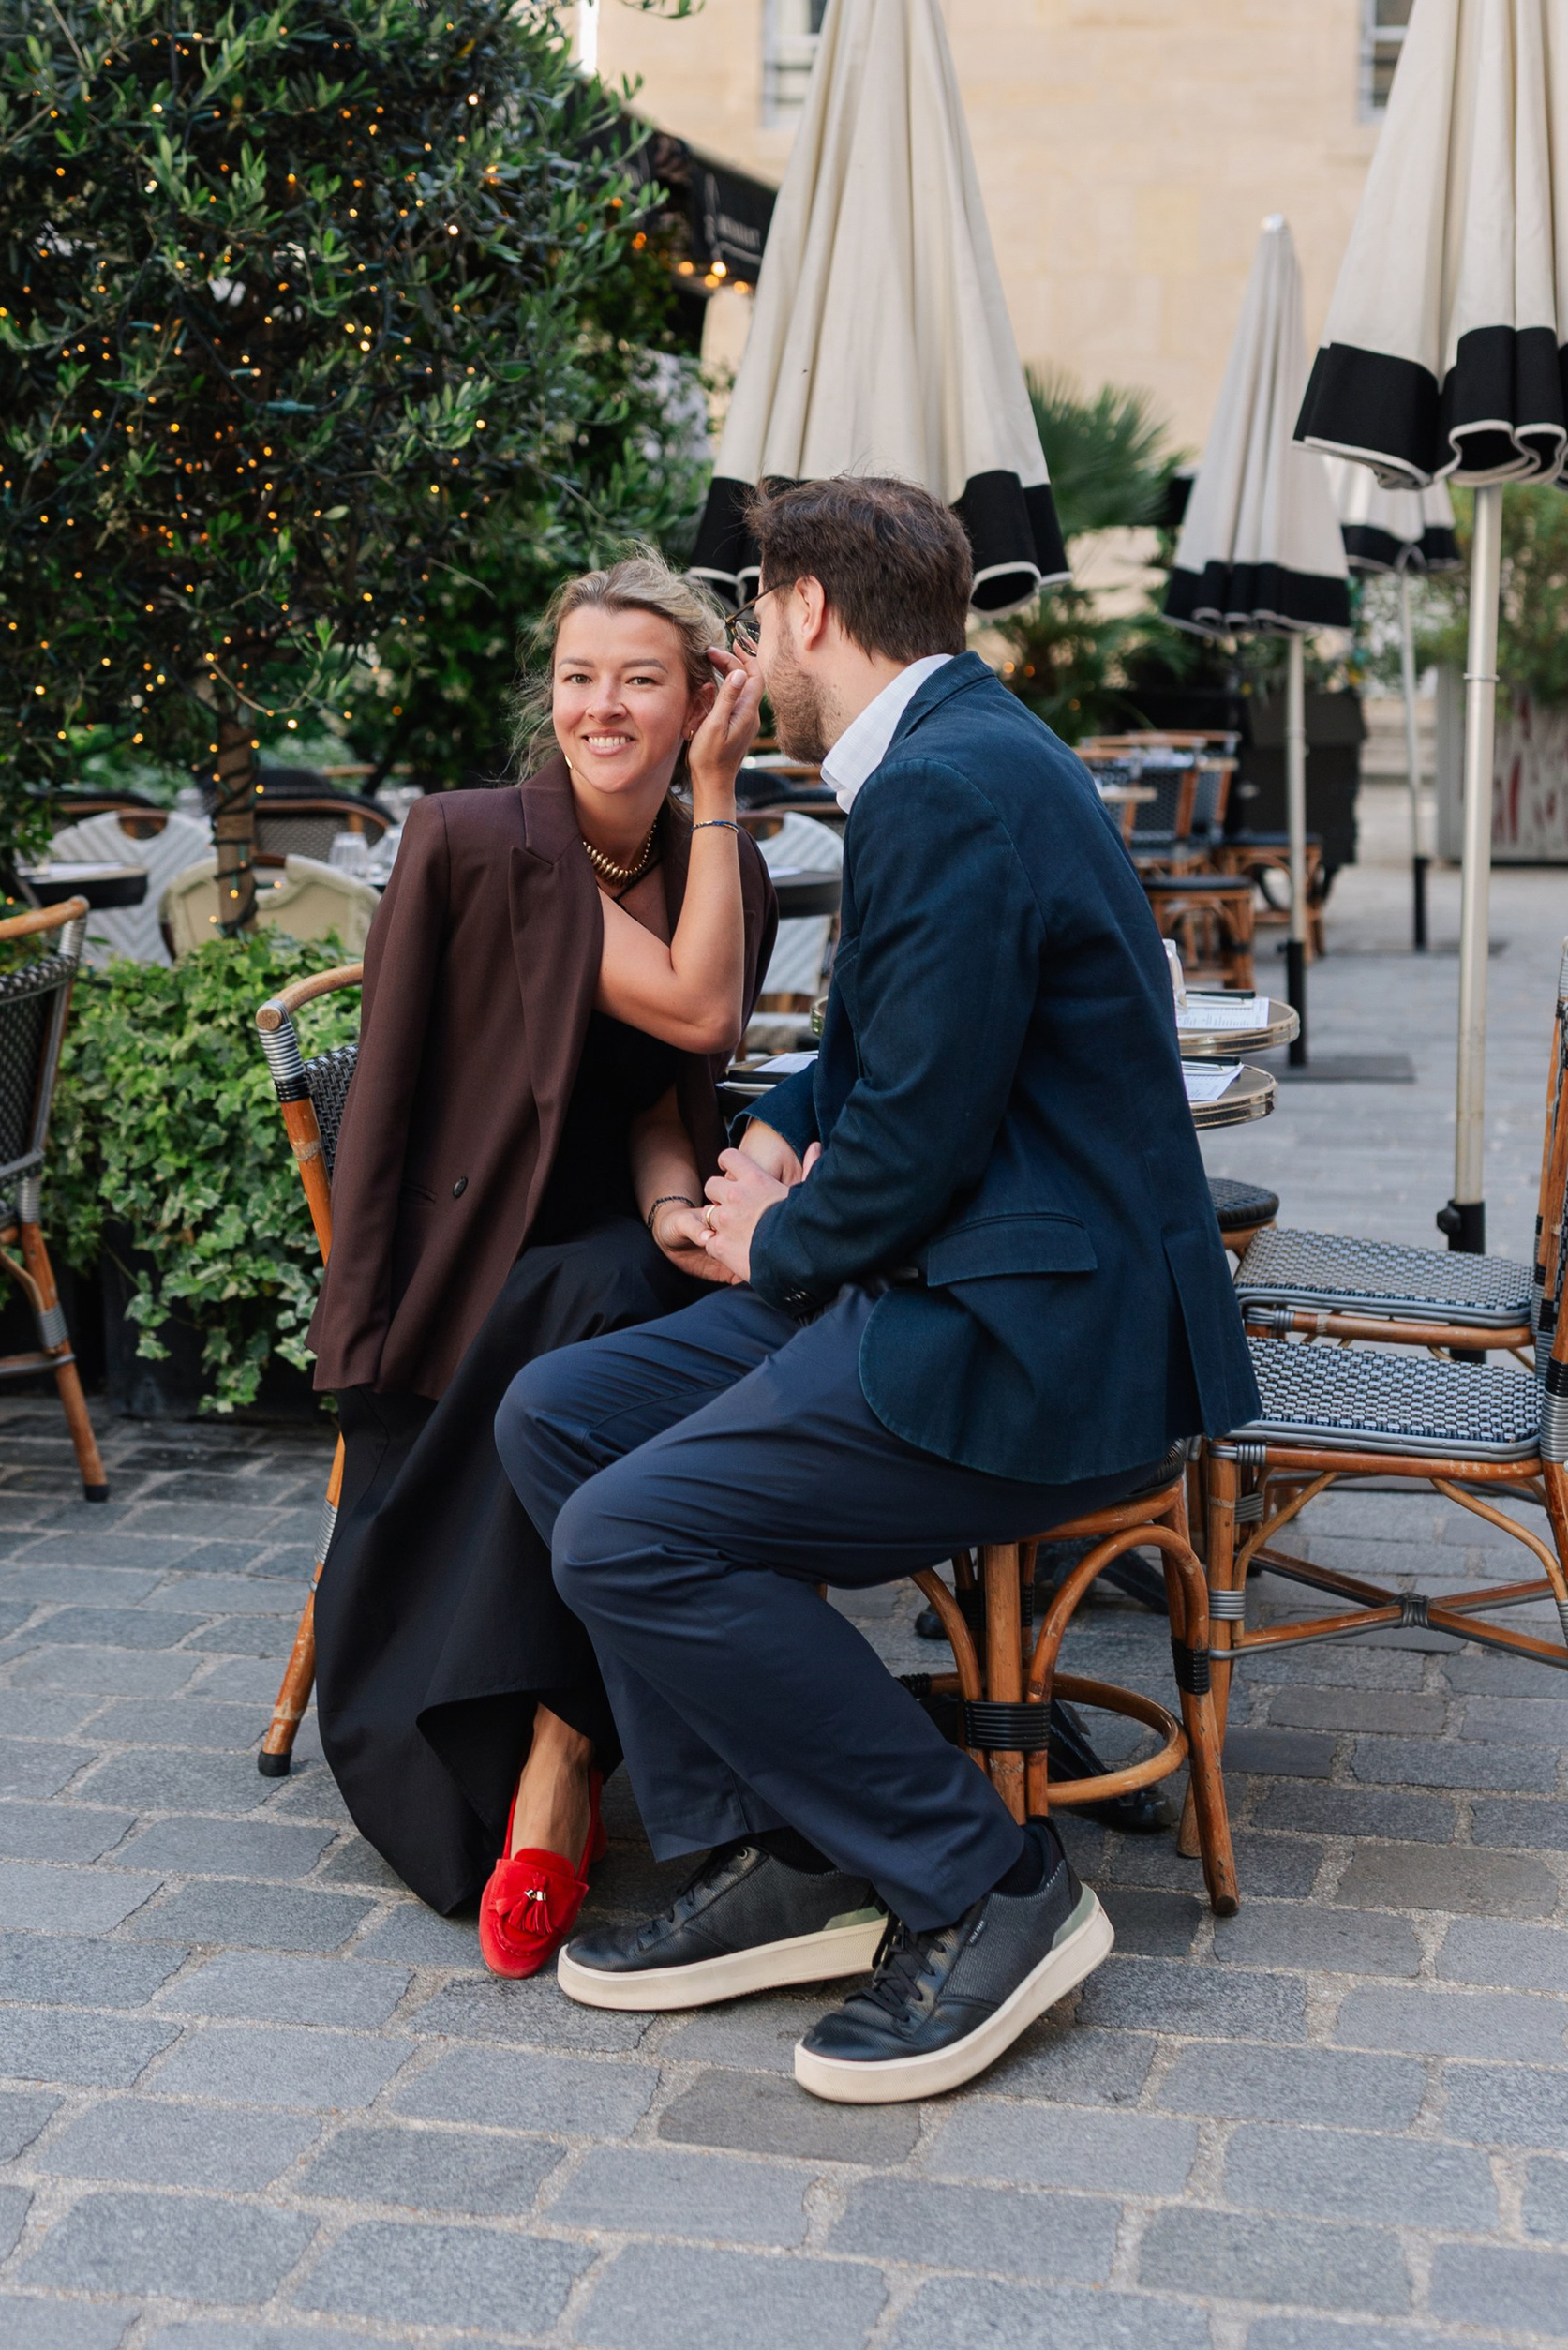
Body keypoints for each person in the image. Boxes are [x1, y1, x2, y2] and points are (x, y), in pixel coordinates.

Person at [496, 475, 1262, 2103]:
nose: (752, 649)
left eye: (755, 614)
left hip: (1028, 1342)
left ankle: (985, 1885)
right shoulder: (955, 752)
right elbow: (882, 1055)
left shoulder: (945, 784)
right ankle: (778, 1853)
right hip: (971, 1281)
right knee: (560, 1414)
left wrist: (770, 1242)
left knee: (627, 1533)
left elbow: (916, 1141)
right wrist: (778, 1132)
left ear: (806, 609)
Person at [306, 552, 773, 1968]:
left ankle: (565, 1744)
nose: (601, 706)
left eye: (639, 678)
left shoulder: (720, 867)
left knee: (662, 1290)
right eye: (578, 677)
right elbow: (694, 1011)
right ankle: (556, 1751)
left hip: (600, 1239)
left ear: (701, 694)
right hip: (466, 1255)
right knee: (605, 1305)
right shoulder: (479, 840)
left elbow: (659, 1097)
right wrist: (725, 787)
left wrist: (675, 1204)